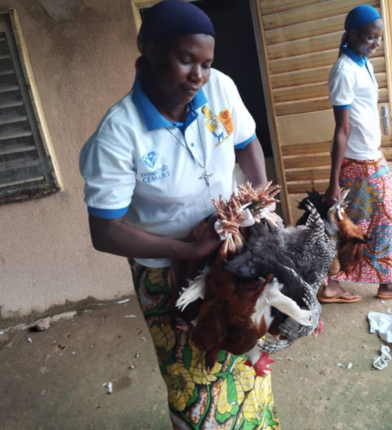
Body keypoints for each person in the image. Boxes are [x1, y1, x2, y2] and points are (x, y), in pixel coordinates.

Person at [79, 1, 279, 428]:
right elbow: (105, 231)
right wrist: (185, 246)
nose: (198, 76)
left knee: (245, 352)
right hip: (168, 273)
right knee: (193, 376)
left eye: (206, 63)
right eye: (186, 60)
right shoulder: (119, 134)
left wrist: (259, 191)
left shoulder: (220, 90)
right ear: (148, 50)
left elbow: (246, 141)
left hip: (232, 252)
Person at [319, 5, 392, 303]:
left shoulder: (363, 62)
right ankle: (378, 283)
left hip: (369, 157)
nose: (375, 42)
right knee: (373, 221)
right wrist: (334, 181)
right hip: (359, 163)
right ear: (352, 34)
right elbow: (341, 130)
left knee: (366, 221)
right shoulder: (344, 71)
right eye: (369, 37)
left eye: (378, 37)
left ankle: (339, 282)